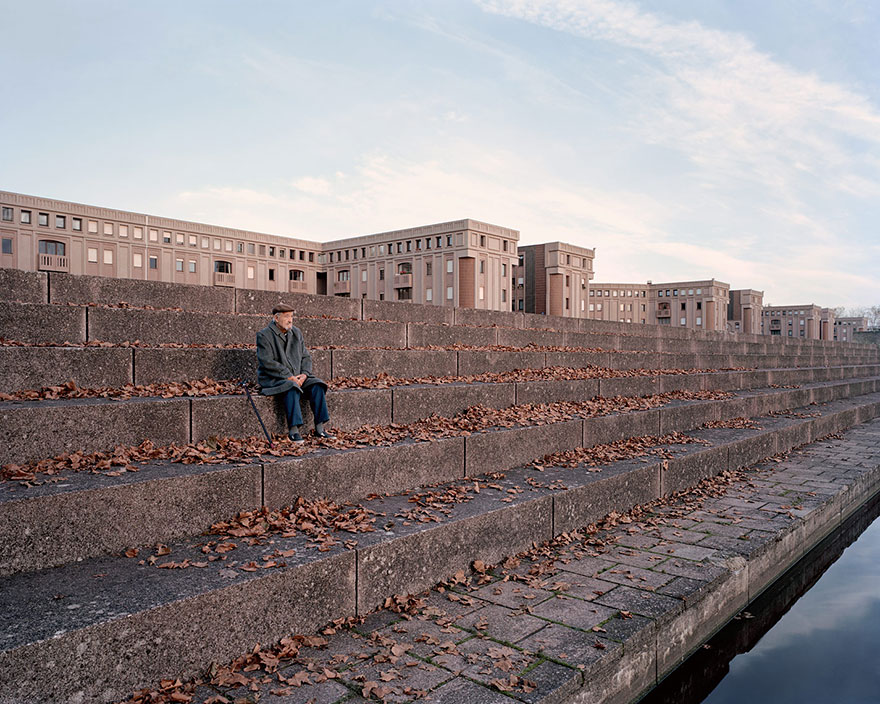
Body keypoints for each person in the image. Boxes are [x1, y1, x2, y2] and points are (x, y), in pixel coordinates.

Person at [256, 304, 334, 443]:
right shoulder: (264, 335)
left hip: (299, 376)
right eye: (286, 316)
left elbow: (306, 357)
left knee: (317, 385)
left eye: (291, 316)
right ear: (276, 318)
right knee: (291, 387)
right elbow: (266, 361)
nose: (290, 320)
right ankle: (294, 431)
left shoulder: (296, 333)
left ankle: (320, 428)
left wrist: (304, 374)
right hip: (275, 378)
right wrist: (288, 375)